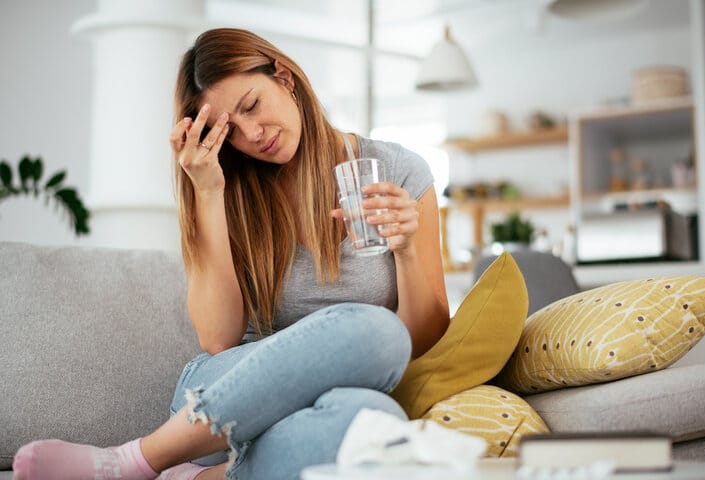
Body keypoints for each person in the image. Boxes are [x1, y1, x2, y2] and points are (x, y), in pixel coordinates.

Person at [12, 28, 449, 480]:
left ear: (285, 77)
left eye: (251, 106)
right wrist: (208, 191)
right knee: (374, 330)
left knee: (376, 420)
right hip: (218, 403)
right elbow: (219, 340)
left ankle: (200, 477)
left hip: (326, 408)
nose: (253, 135)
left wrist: (407, 247)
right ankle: (134, 460)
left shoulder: (398, 171)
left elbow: (422, 336)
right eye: (231, 132)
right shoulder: (230, 188)